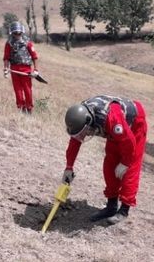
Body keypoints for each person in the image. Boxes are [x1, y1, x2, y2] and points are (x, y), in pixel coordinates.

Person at [62, 95, 149, 225]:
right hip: (117, 132)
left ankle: (124, 210)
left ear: (89, 121)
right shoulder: (80, 117)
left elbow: (129, 141)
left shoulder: (111, 118)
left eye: (85, 132)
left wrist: (125, 163)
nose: (85, 135)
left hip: (135, 124)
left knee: (130, 169)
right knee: (110, 166)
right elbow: (75, 142)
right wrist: (69, 167)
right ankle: (111, 206)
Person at [2, 22, 39, 114]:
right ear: (12, 33)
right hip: (14, 69)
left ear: (22, 32)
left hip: (26, 70)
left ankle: (29, 109)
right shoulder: (9, 43)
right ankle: (21, 109)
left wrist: (36, 70)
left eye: (19, 33)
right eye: (15, 33)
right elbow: (6, 57)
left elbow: (34, 56)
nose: (17, 35)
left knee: (27, 90)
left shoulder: (28, 42)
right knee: (18, 90)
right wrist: (6, 68)